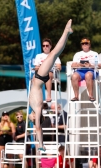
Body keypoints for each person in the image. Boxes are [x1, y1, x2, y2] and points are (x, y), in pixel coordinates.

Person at [29, 19, 73, 151]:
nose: (30, 117)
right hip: (39, 77)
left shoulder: (33, 107)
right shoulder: (37, 110)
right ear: (37, 117)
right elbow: (38, 127)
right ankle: (66, 32)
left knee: (55, 53)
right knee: (54, 53)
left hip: (39, 78)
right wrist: (41, 145)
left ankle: (67, 33)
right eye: (32, 118)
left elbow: (37, 126)